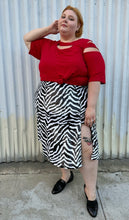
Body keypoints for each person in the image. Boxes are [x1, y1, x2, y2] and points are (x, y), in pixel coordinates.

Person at [24, 5, 105, 218]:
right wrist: (49, 29)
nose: (65, 20)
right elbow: (27, 38)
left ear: (78, 26)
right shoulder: (47, 46)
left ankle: (90, 191)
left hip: (77, 106)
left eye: (71, 18)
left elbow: (95, 75)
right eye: (63, 17)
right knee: (57, 144)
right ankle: (65, 175)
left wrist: (91, 107)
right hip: (48, 105)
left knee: (86, 148)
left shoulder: (85, 45)